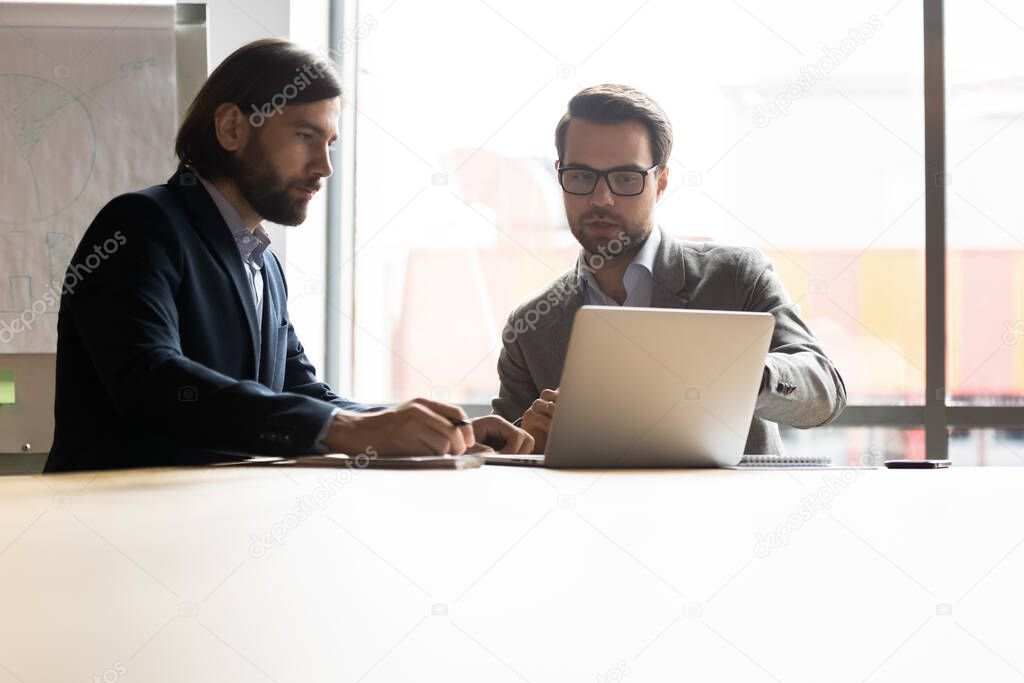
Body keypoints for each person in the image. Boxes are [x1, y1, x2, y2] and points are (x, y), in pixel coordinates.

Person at [46, 39, 532, 472]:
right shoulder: (139, 224)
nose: (324, 166)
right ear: (232, 127)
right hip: (113, 539)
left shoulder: (262, 263)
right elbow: (153, 383)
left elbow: (300, 393)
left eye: (330, 143)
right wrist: (349, 430)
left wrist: (441, 428)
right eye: (304, 135)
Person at [492, 84, 846, 455]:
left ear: (660, 182)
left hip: (735, 511)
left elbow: (825, 391)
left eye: (626, 178)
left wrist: (745, 376)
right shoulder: (530, 325)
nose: (601, 199)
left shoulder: (736, 276)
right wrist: (529, 443)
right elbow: (500, 458)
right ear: (560, 176)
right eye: (582, 176)